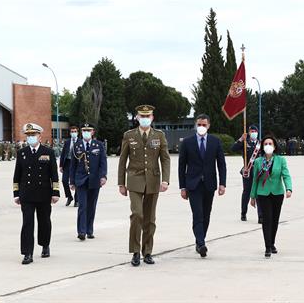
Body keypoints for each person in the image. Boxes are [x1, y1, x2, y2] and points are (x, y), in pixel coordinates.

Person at [118, 105, 170, 267]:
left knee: (150, 218)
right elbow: (122, 160)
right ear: (137, 117)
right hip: (134, 180)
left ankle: (147, 251)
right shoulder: (129, 135)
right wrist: (121, 183)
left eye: (148, 116)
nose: (145, 118)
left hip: (153, 181)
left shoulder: (159, 136)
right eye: (142, 116)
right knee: (137, 214)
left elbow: (165, 159)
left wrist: (165, 180)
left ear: (152, 118)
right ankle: (135, 251)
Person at [178, 114, 226, 258]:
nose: (201, 127)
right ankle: (201, 242)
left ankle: (200, 241)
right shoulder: (187, 142)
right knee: (197, 214)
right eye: (199, 124)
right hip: (193, 184)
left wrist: (222, 183)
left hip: (209, 184)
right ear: (195, 125)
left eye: (204, 125)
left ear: (209, 126)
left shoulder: (215, 142)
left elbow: (221, 164)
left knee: (206, 214)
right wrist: (182, 187)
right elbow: (182, 166)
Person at [13, 123, 60, 264]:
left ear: (40, 136)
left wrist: (55, 192)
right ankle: (27, 253)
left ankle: (45, 245)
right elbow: (17, 175)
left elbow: (54, 175)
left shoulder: (48, 152)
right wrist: (16, 193)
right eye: (28, 135)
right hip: (26, 194)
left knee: (44, 221)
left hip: (44, 193)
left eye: (33, 135)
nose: (30, 138)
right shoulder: (22, 153)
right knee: (27, 223)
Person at [250, 135, 292, 258]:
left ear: (274, 146)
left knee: (274, 220)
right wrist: (252, 196)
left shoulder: (280, 160)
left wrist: (289, 188)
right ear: (262, 147)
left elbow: (286, 175)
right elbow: (255, 180)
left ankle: (272, 242)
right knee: (266, 219)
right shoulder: (258, 161)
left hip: (277, 193)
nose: (268, 146)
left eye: (270, 144)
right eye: (266, 144)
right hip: (263, 194)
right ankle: (267, 246)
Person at [70, 123, 107, 241]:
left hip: (95, 180)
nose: (86, 132)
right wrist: (71, 181)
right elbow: (73, 165)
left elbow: (103, 162)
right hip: (80, 180)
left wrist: (103, 176)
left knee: (91, 206)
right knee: (82, 206)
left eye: (88, 130)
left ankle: (89, 230)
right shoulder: (77, 145)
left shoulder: (99, 145)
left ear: (93, 132)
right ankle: (81, 231)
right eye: (84, 130)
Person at [231, 125, 262, 222]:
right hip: (247, 170)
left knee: (259, 192)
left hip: (258, 171)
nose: (253, 133)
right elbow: (233, 148)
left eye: (255, 131)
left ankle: (261, 216)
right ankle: (243, 213)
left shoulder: (260, 144)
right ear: (248, 133)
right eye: (251, 131)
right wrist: (240, 139)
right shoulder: (245, 143)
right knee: (246, 192)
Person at [59, 126, 79, 207]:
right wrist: (61, 165)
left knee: (77, 181)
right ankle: (69, 197)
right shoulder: (67, 142)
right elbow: (63, 153)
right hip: (67, 163)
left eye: (75, 131)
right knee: (64, 180)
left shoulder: (80, 141)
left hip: (77, 164)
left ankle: (77, 199)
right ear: (70, 133)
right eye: (72, 131)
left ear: (77, 132)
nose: (73, 133)